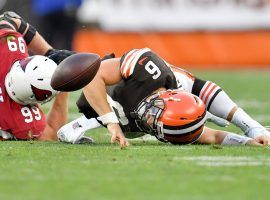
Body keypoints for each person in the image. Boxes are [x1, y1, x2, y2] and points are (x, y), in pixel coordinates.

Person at [57, 48, 270, 147]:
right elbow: (93, 77)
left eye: (153, 122)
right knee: (196, 86)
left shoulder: (169, 129)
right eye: (154, 112)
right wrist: (250, 127)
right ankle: (245, 122)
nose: (147, 118)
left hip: (121, 112)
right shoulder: (150, 70)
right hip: (122, 86)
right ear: (169, 96)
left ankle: (201, 115)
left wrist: (249, 143)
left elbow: (213, 137)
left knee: (190, 125)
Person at [0, 11, 74, 141]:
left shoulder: (9, 46)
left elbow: (10, 19)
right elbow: (51, 133)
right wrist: (63, 85)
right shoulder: (22, 122)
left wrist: (50, 52)